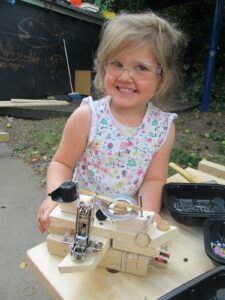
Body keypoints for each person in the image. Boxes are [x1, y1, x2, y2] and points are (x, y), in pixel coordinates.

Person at [37, 12, 186, 232]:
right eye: (117, 64)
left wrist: (148, 214)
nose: (125, 77)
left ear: (162, 77)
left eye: (141, 68)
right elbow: (61, 164)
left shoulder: (163, 127)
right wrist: (55, 197)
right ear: (104, 65)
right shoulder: (88, 117)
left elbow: (154, 179)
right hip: (80, 217)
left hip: (126, 222)